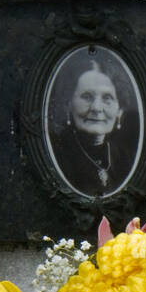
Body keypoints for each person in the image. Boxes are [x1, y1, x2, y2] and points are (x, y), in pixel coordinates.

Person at [50, 59, 132, 196]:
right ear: (68, 105)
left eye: (107, 98)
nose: (97, 108)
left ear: (120, 110)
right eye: (87, 97)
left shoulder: (123, 159)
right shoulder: (56, 155)